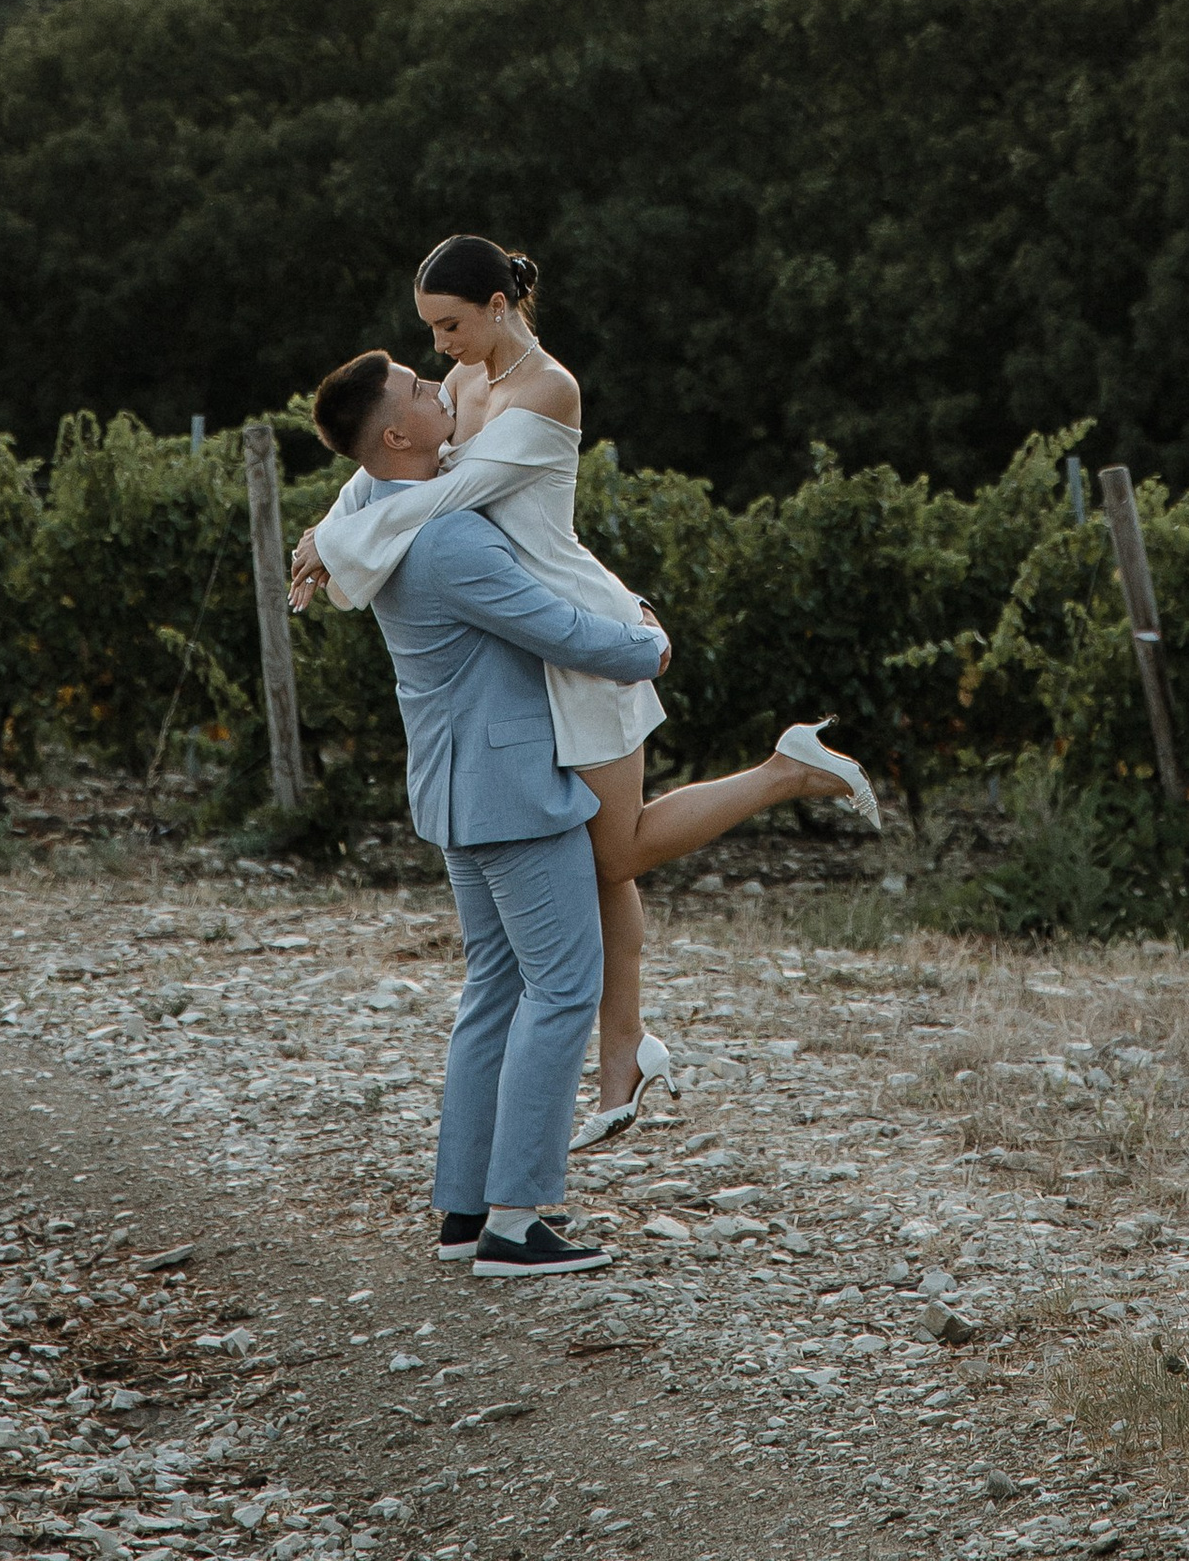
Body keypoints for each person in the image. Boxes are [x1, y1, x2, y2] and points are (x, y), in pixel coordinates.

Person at [295, 234, 879, 1145]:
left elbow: (450, 498)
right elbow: (381, 466)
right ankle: (624, 1055)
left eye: (449, 324)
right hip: (524, 635)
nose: (439, 348)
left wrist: (335, 544)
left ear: (497, 304)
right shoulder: (453, 388)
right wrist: (325, 525)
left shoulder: (547, 388)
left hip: (580, 631)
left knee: (615, 856)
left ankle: (785, 771)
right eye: (428, 331)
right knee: (599, 862)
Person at [307, 345, 665, 1279]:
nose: (442, 387)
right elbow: (559, 629)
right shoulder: (450, 540)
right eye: (422, 391)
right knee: (562, 989)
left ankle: (465, 1210)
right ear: (396, 434)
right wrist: (648, 644)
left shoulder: (374, 524)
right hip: (511, 793)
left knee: (495, 994)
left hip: (454, 791)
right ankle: (517, 1219)